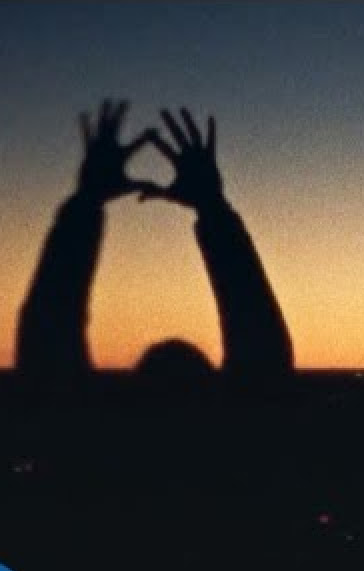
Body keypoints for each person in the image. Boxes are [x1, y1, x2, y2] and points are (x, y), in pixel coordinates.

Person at [16, 100, 293, 391]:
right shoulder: (244, 415)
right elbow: (262, 349)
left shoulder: (78, 418)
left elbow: (46, 336)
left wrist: (86, 201)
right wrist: (212, 207)